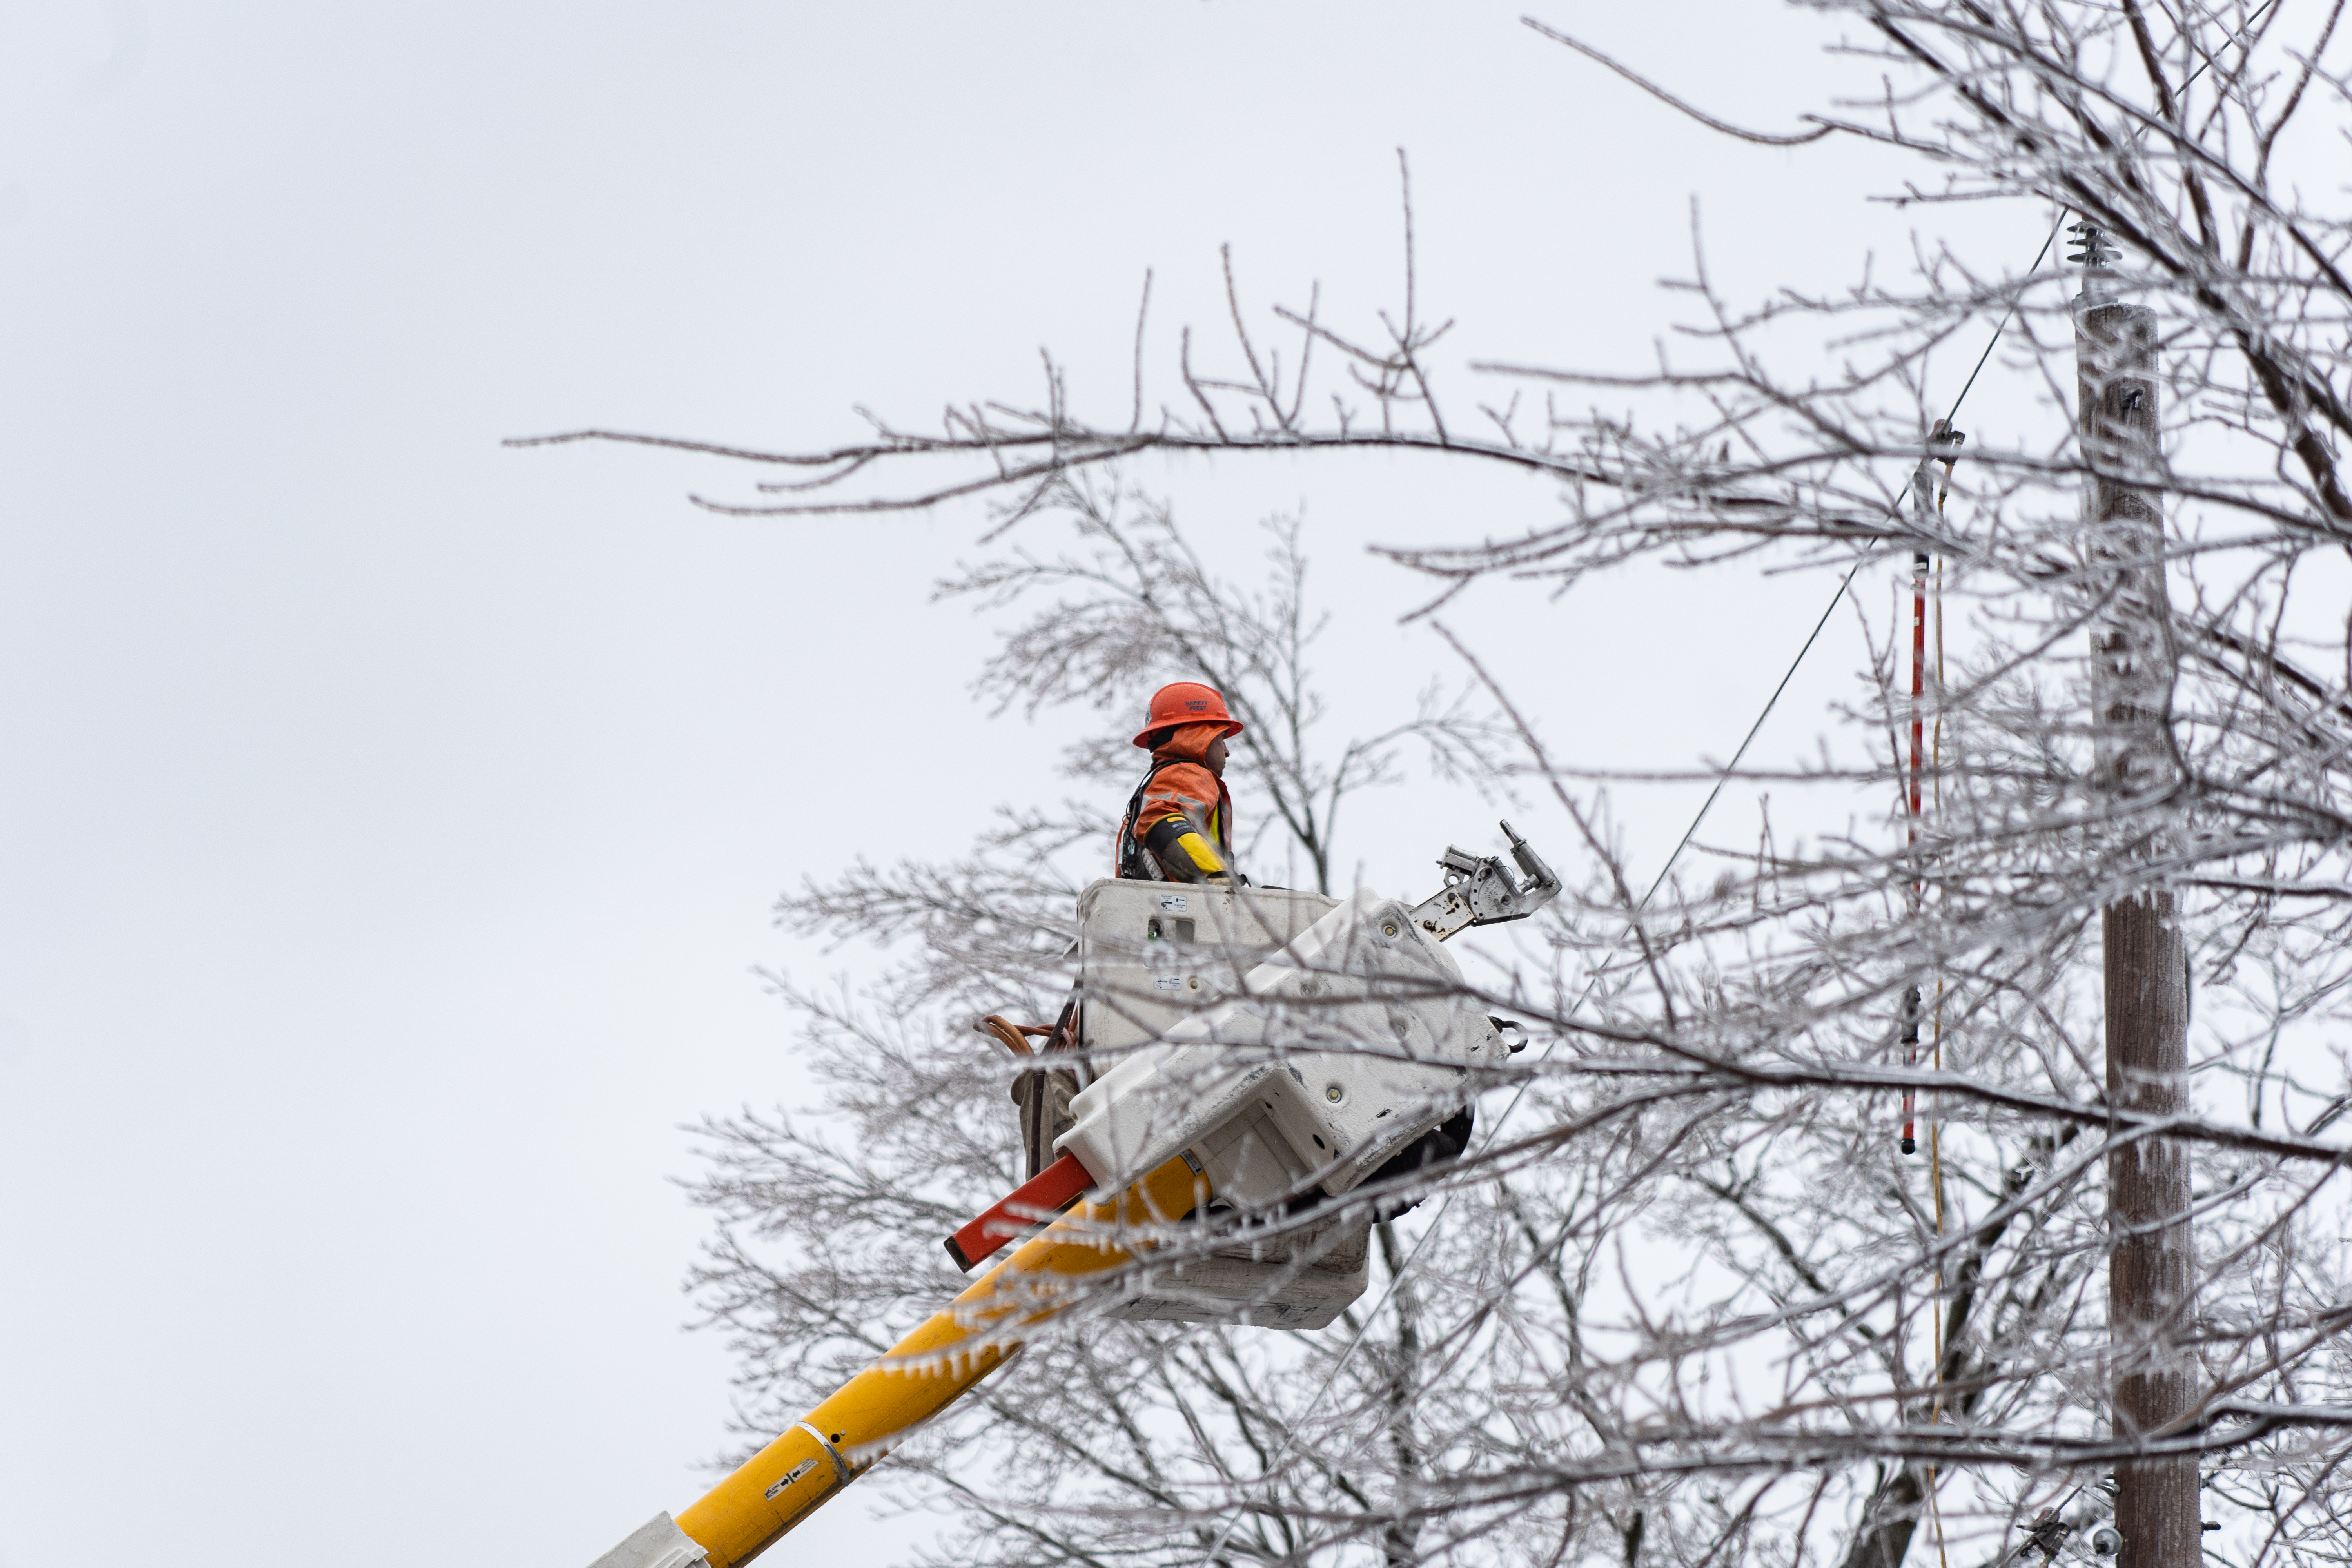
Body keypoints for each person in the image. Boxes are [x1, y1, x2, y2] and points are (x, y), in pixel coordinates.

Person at [1114, 681, 1244, 883]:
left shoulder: (1154, 790)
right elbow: (1162, 819)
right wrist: (1216, 874)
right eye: (1221, 737)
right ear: (1200, 736)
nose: (1227, 751)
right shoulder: (1186, 774)